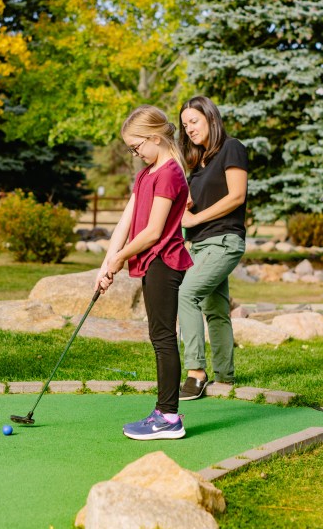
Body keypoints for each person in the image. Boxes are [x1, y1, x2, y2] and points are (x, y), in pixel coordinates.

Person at [96, 105, 193, 440]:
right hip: (151, 262)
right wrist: (106, 262)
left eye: (136, 147)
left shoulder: (170, 173)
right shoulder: (147, 173)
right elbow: (126, 219)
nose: (135, 154)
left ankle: (169, 418)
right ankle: (163, 412)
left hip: (165, 260)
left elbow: (153, 231)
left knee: (163, 338)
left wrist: (120, 257)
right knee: (158, 337)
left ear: (155, 137)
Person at [176, 96, 248, 400]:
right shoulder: (199, 164)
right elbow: (192, 207)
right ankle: (225, 377)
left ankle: (195, 372)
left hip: (225, 241)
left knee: (187, 294)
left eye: (194, 121)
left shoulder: (233, 148)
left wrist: (194, 217)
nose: (189, 129)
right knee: (216, 309)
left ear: (211, 118)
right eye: (185, 125)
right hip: (201, 244)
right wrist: (186, 209)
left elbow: (236, 196)